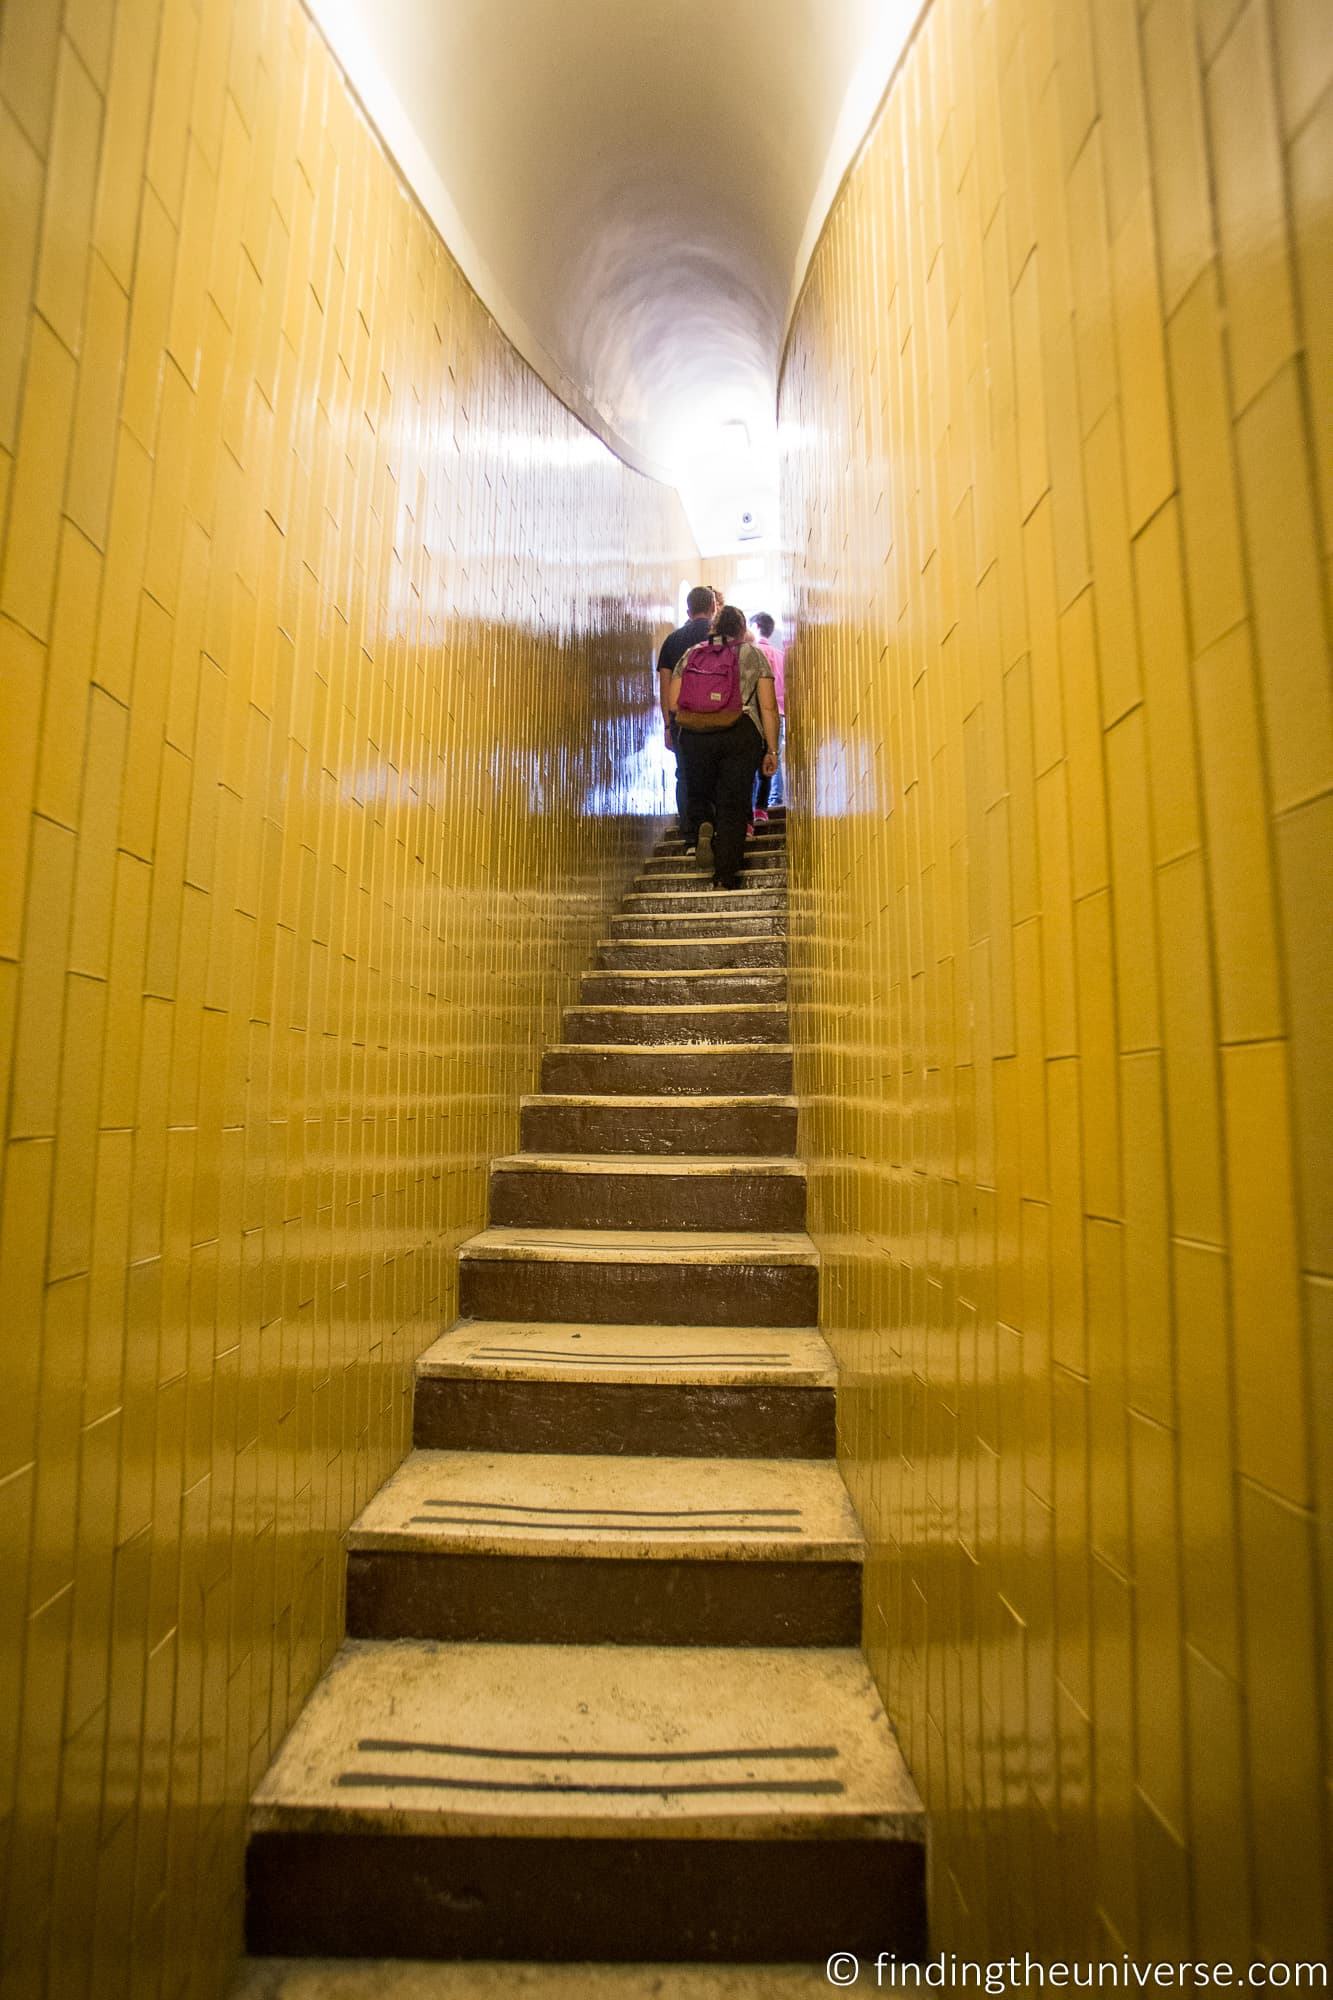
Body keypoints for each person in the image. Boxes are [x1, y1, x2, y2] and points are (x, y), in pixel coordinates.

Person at [670, 605, 780, 891]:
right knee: (733, 806)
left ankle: (705, 822)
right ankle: (724, 876)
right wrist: (772, 750)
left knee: (703, 793)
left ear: (714, 627)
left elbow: (673, 702)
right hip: (740, 731)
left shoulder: (691, 654)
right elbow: (768, 707)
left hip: (696, 734)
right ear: (742, 630)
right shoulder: (753, 655)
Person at [656, 587, 716, 830]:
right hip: (719, 716)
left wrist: (668, 725)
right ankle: (716, 828)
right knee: (718, 773)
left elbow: (664, 686)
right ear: (714, 607)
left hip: (682, 718)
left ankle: (691, 834)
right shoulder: (721, 636)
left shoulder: (672, 641)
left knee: (684, 774)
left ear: (688, 610)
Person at [749, 613, 785, 823]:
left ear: (755, 626)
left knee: (754, 756)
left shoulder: (753, 653)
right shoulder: (780, 655)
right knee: (773, 753)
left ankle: (755, 803)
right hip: (779, 711)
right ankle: (774, 800)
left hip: (757, 712)